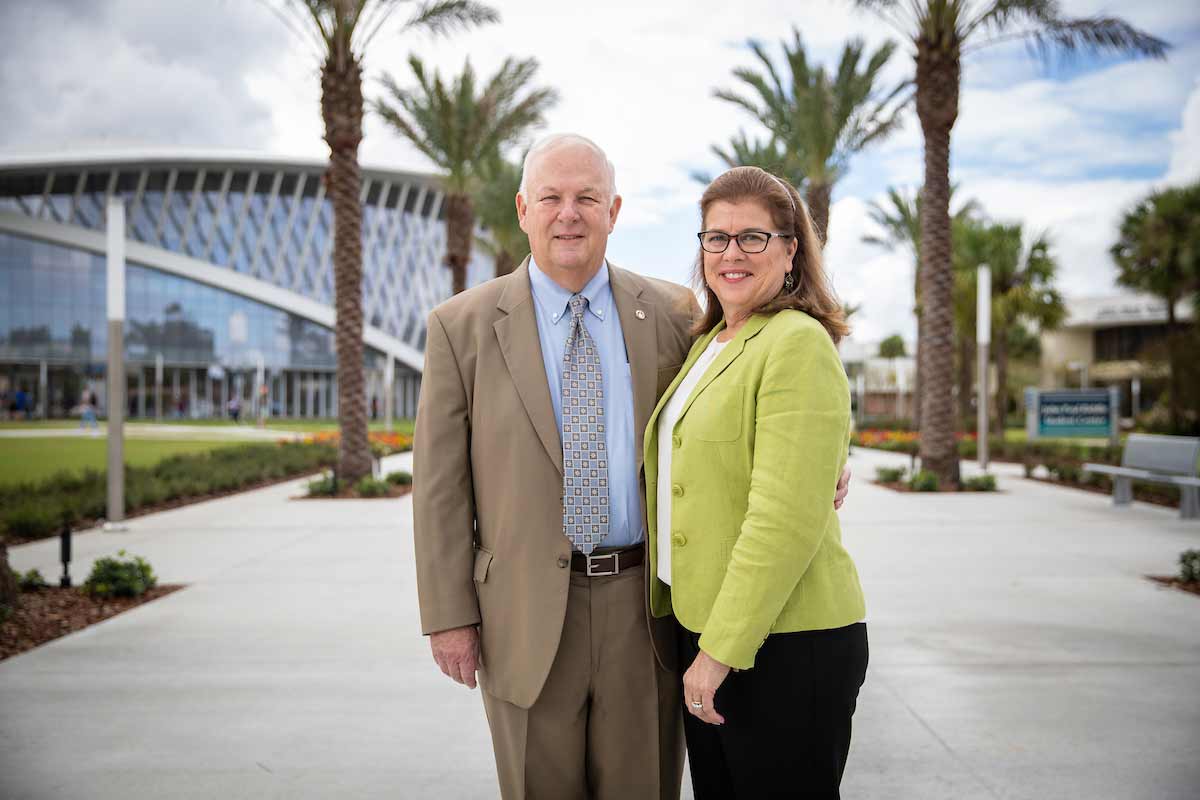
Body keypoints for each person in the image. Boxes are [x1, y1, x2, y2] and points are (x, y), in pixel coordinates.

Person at [413, 136, 852, 800]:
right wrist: (448, 615)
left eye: (587, 197)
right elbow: (440, 487)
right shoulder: (461, 328)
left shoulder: (678, 315)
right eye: (552, 198)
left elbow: (748, 392)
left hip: (644, 609)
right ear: (523, 207)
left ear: (613, 210)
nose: (570, 213)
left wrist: (829, 454)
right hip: (521, 614)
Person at [643, 166, 868, 799]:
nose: (730, 253)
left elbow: (782, 520)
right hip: (714, 627)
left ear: (792, 249)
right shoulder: (712, 341)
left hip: (783, 644)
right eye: (716, 238)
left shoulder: (796, 343)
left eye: (752, 237)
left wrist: (719, 653)